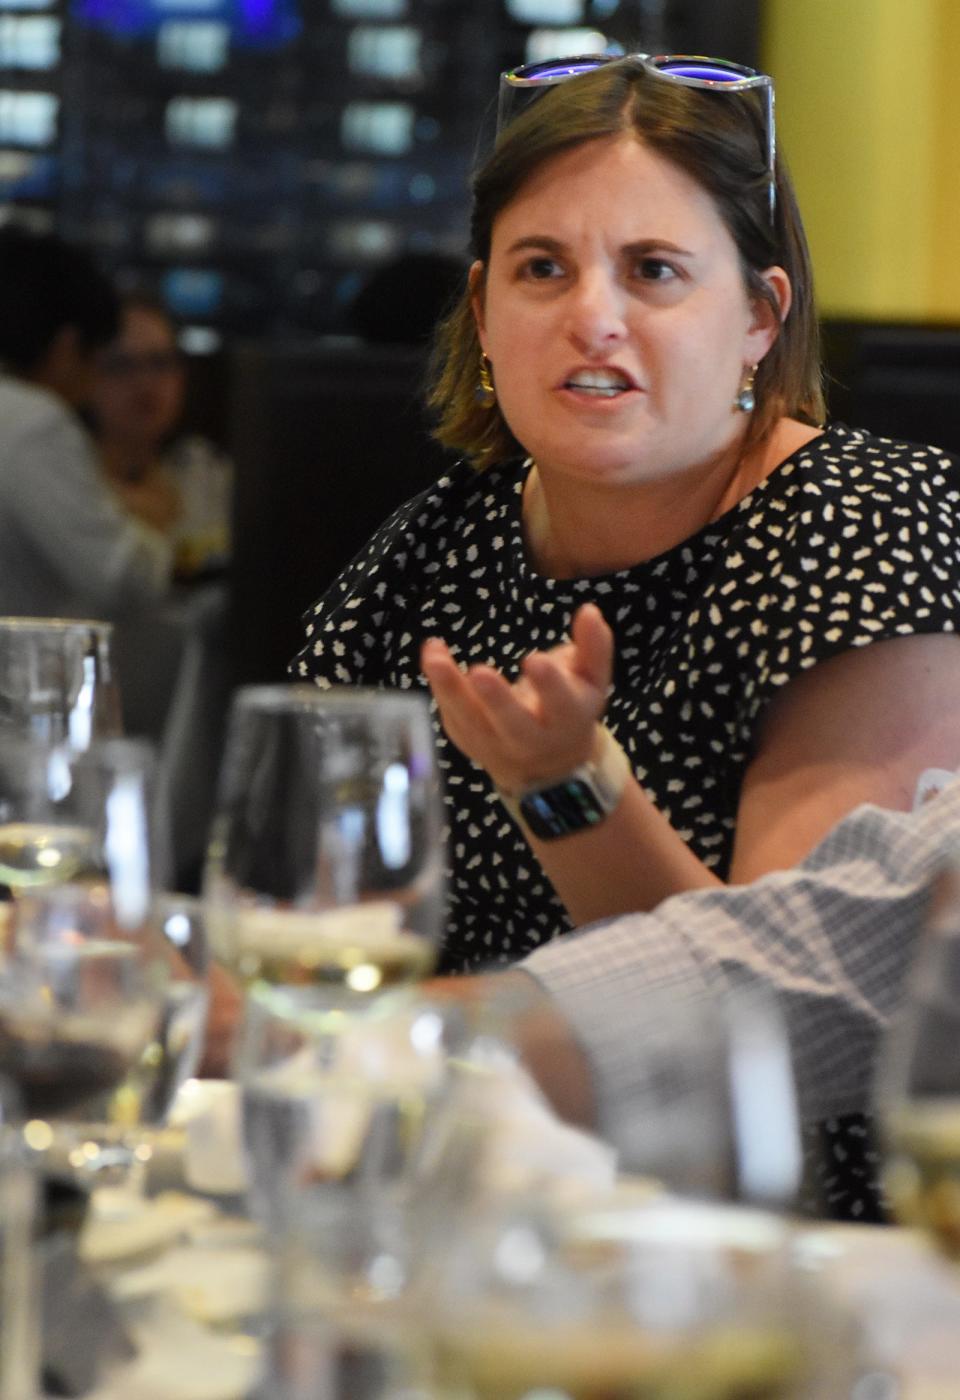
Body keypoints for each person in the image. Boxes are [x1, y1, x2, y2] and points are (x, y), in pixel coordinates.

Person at [292, 56, 960, 1214]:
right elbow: (300, 929)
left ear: (759, 317)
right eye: (542, 268)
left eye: (654, 271)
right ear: (484, 312)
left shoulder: (868, 527)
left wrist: (566, 786)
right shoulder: (427, 548)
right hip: (443, 1173)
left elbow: (778, 1018)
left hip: (766, 1230)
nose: (592, 315)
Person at [0, 226, 174, 625]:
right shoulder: (33, 422)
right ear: (66, 347)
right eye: (103, 359)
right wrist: (155, 528)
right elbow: (125, 580)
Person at [88, 293, 233, 580]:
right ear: (86, 375)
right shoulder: (63, 472)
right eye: (121, 364)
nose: (145, 383)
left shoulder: (204, 468)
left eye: (159, 362)